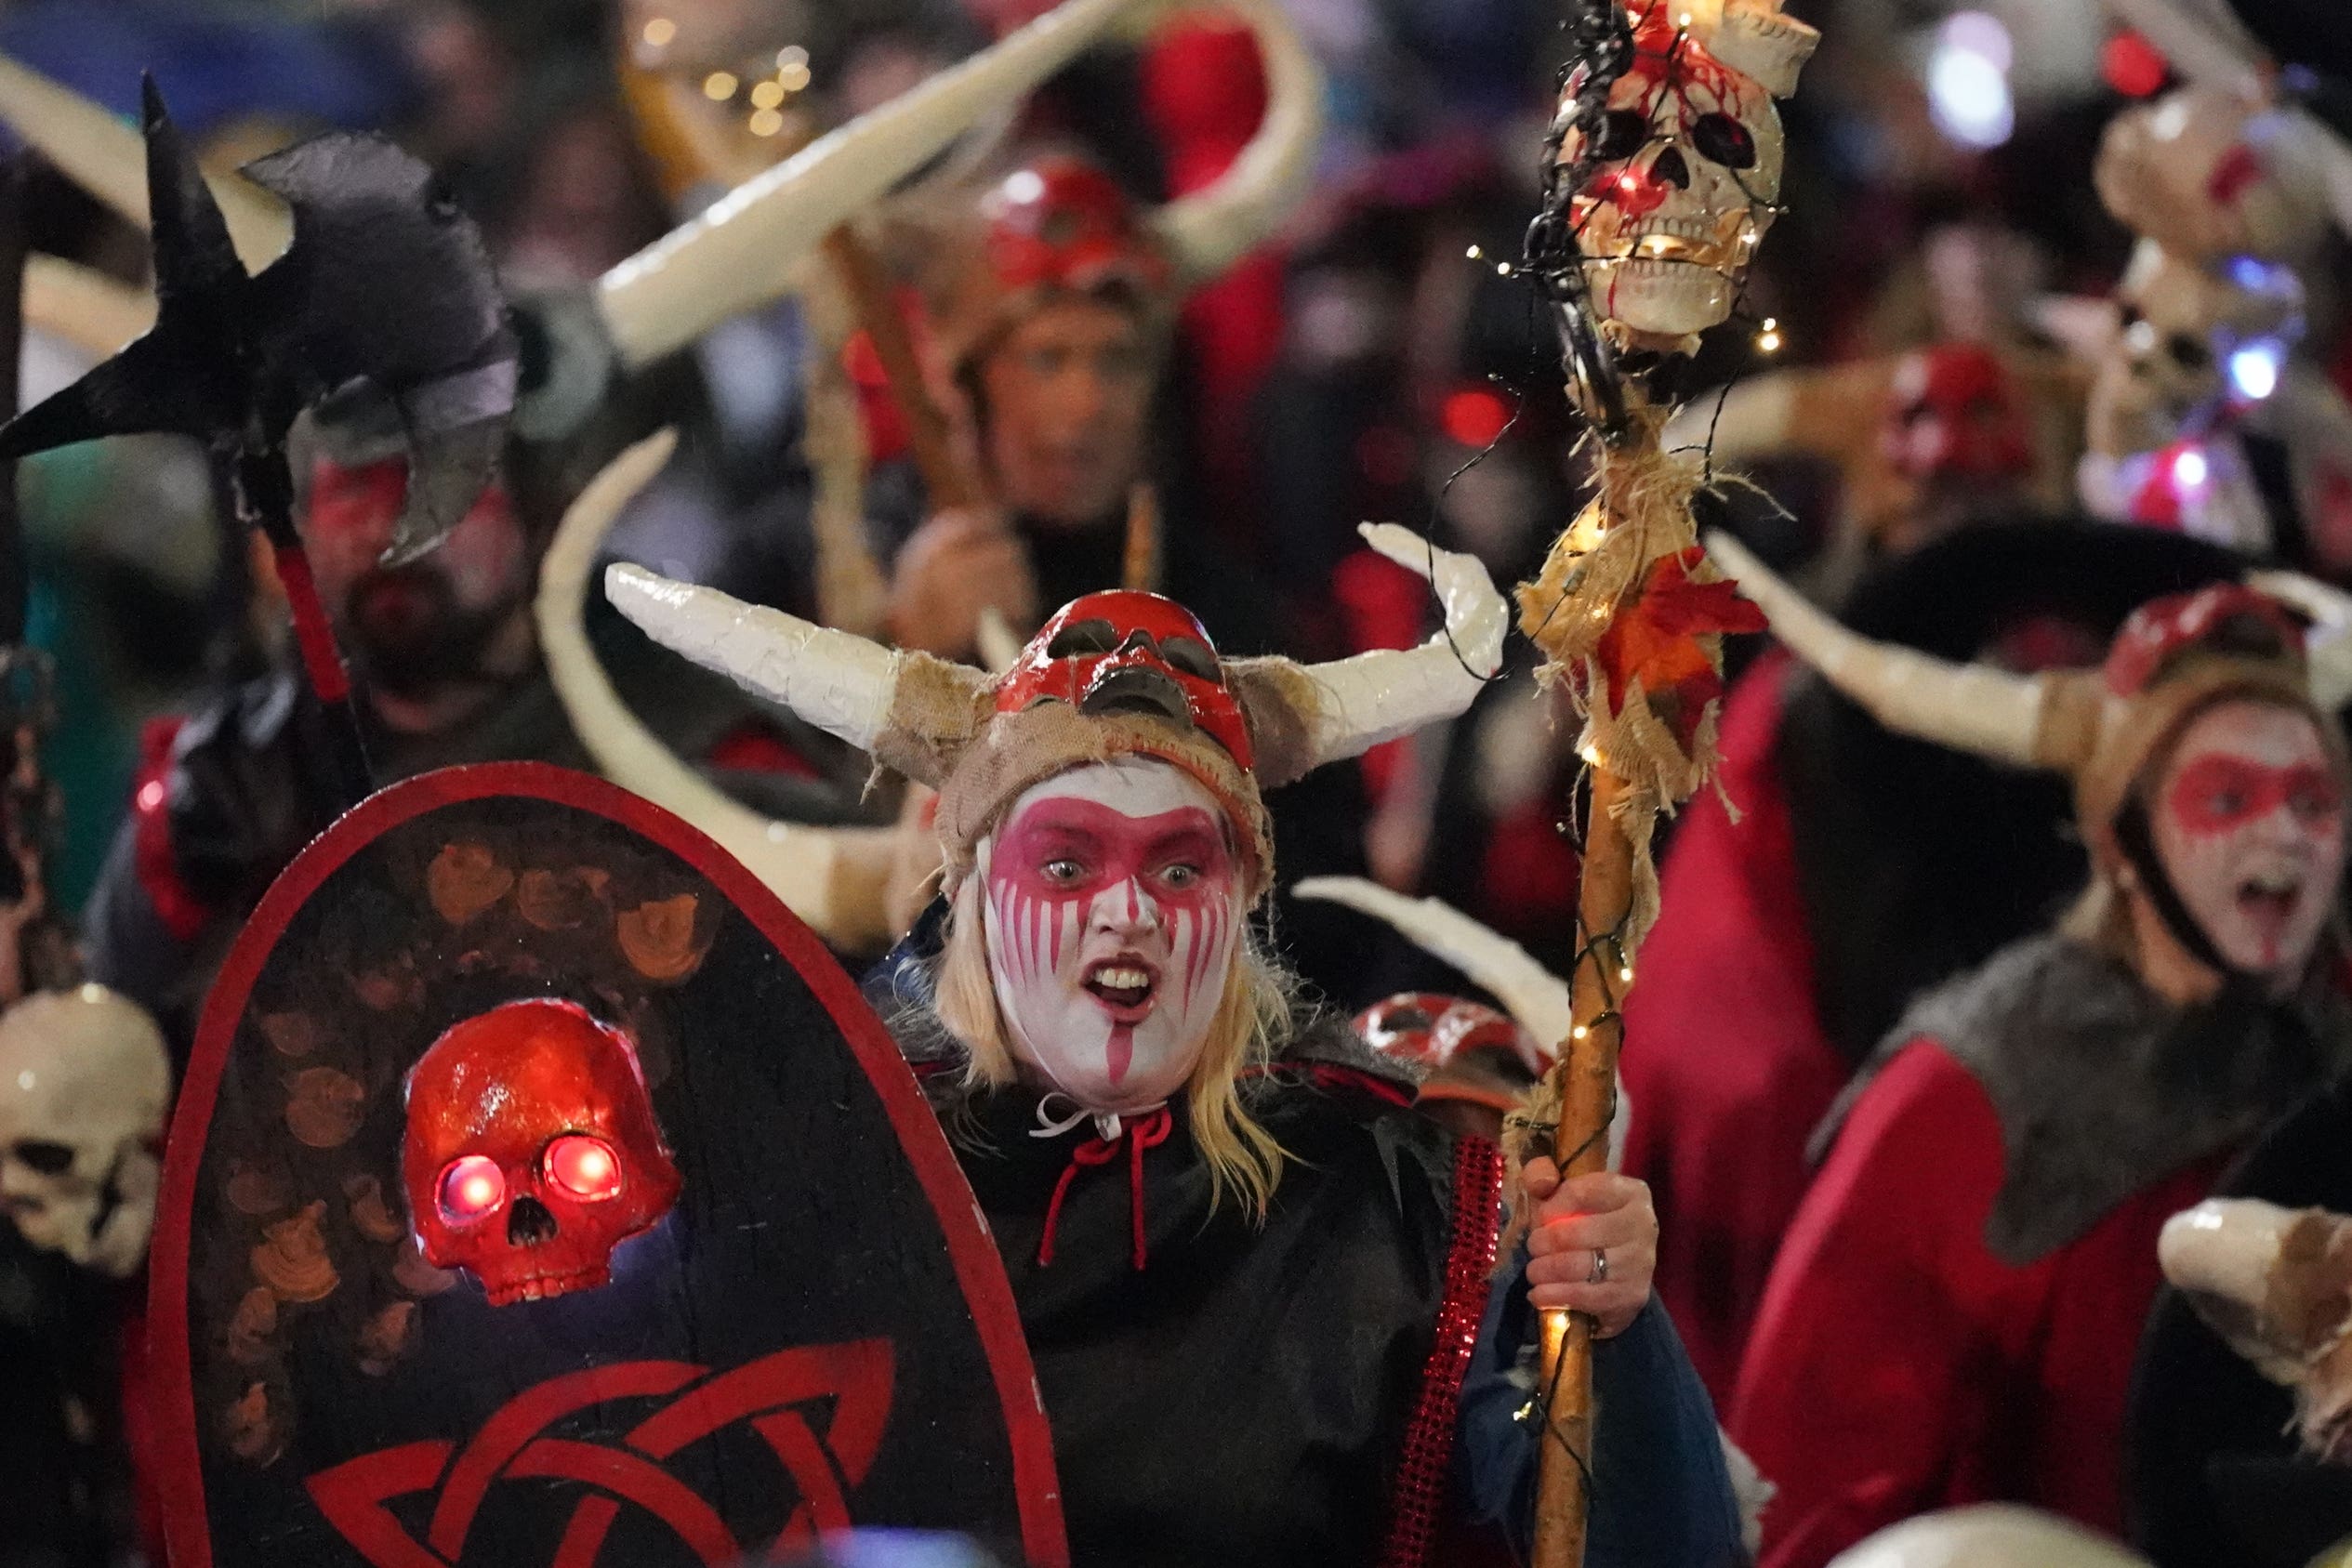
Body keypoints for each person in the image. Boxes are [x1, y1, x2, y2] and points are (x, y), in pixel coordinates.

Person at [604, 518, 1743, 1564]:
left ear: (1243, 891)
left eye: (1178, 866)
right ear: (977, 888)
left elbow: (1656, 1551)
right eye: (1067, 861)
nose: (1128, 911)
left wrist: (1611, 1324)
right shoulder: (808, 1155)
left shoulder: (1399, 1200)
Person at [1711, 534, 2352, 1566]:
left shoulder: (2334, 1045)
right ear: (2120, 838)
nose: (2283, 840)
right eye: (2226, 798)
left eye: (2312, 802)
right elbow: (1803, 1502)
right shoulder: (1967, 1099)